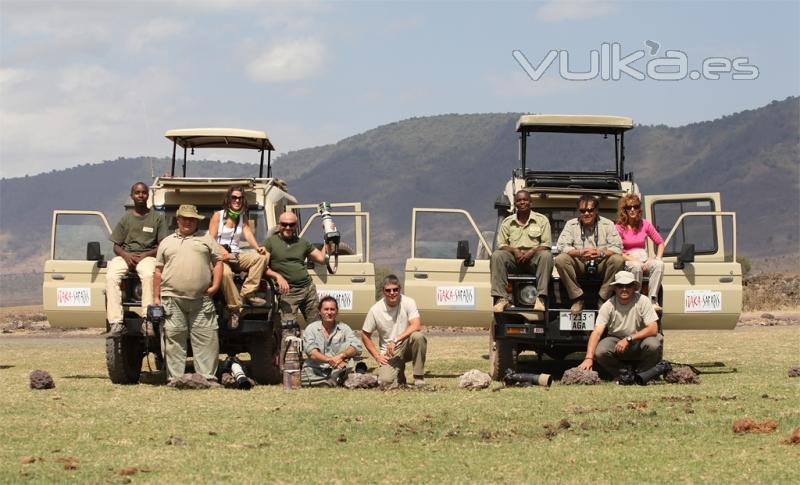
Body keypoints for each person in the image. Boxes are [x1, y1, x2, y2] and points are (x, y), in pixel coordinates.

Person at [153, 205, 223, 383]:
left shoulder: (207, 239)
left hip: (202, 299)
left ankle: (207, 378)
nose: (188, 222)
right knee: (174, 337)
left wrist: (215, 286)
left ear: (197, 221)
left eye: (192, 219)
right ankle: (175, 379)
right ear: (178, 220)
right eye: (184, 218)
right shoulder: (166, 242)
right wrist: (155, 298)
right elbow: (158, 271)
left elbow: (218, 262)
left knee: (206, 337)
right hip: (172, 298)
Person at [106, 182, 168, 336]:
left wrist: (145, 255)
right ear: (132, 196)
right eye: (137, 192)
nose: (140, 195)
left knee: (148, 276)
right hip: (126, 255)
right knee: (111, 276)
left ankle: (147, 320)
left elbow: (162, 246)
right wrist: (126, 256)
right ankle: (115, 322)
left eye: (144, 192)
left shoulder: (157, 219)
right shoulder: (126, 218)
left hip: (148, 256)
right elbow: (116, 246)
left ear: (148, 195)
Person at [578, 270, 663, 379]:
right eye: (620, 286)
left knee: (653, 344)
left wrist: (629, 338)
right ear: (615, 288)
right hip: (616, 340)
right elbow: (597, 332)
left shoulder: (643, 301)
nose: (624, 289)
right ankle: (622, 374)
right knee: (600, 351)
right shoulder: (608, 305)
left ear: (634, 287)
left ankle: (643, 375)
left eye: (628, 286)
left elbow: (653, 328)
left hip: (640, 339)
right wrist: (588, 358)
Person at [208, 186, 269, 328]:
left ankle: (247, 293)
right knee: (225, 273)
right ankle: (235, 308)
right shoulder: (218, 215)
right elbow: (211, 239)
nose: (237, 200)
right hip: (219, 254)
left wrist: (257, 248)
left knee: (261, 258)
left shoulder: (242, 216)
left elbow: (247, 234)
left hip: (235, 253)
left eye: (240, 198)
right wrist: (222, 250)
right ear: (228, 199)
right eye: (234, 197)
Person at [555, 195, 625, 314]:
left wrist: (600, 253)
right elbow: (561, 246)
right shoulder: (571, 224)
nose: (586, 213)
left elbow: (617, 247)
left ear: (596, 210)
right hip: (580, 263)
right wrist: (580, 252)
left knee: (618, 260)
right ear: (578, 211)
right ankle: (577, 298)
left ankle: (603, 298)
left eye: (590, 210)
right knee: (560, 259)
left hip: (601, 263)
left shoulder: (607, 224)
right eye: (582, 211)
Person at [491, 190, 553, 312]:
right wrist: (514, 250)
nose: (522, 202)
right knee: (497, 255)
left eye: (525, 200)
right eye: (519, 200)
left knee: (546, 255)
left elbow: (546, 244)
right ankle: (501, 299)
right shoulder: (507, 222)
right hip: (515, 260)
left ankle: (540, 298)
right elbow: (502, 244)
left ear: (531, 202)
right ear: (515, 203)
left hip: (534, 261)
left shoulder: (542, 220)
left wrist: (532, 251)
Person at [361, 275, 427, 387]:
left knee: (418, 337)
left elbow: (416, 325)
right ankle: (399, 374)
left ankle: (418, 377)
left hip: (406, 345)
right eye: (388, 290)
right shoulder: (375, 310)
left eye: (395, 289)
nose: (392, 293)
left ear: (399, 289)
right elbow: (365, 335)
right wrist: (377, 356)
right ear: (383, 291)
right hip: (389, 352)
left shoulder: (409, 302)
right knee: (386, 382)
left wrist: (395, 340)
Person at [263, 211, 328, 326]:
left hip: (308, 290)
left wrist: (328, 237)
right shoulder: (270, 243)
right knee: (289, 329)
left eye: (291, 225)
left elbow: (322, 259)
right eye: (284, 224)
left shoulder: (303, 243)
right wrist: (277, 276)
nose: (288, 227)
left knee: (316, 327)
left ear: (296, 226)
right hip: (288, 293)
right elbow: (262, 267)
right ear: (279, 225)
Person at [614, 194, 665, 312]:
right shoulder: (619, 227)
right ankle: (635, 301)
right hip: (628, 259)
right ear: (624, 210)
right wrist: (634, 260)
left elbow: (660, 242)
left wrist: (657, 258)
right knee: (636, 267)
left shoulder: (645, 224)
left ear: (639, 209)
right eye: (629, 207)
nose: (632, 209)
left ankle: (652, 300)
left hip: (644, 258)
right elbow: (616, 251)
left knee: (659, 264)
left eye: (635, 207)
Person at [301, 296, 362, 387]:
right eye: (326, 309)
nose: (329, 312)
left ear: (337, 312)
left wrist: (342, 356)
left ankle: (329, 381)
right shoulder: (311, 328)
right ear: (320, 312)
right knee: (301, 378)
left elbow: (357, 347)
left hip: (338, 368)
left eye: (332, 309)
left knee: (346, 369)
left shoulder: (344, 328)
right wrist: (329, 360)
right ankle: (331, 381)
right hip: (316, 368)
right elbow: (312, 353)